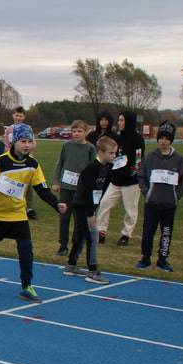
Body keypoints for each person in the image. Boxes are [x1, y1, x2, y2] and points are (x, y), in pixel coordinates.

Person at [0, 124, 67, 303]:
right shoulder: (1, 162)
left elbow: (42, 190)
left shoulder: (33, 165)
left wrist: (57, 205)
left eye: (30, 141)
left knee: (26, 251)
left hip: (18, 216)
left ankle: (26, 286)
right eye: (23, 141)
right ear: (13, 142)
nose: (27, 145)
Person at [63, 136, 117, 284]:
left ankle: (71, 265)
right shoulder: (91, 169)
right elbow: (86, 192)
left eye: (115, 153)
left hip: (91, 204)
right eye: (111, 153)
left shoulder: (108, 167)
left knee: (81, 235)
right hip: (82, 205)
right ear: (100, 152)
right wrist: (90, 214)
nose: (114, 156)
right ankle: (92, 271)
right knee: (92, 237)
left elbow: (104, 186)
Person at [136, 122, 183, 272]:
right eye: (161, 138)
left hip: (169, 205)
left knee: (166, 233)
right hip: (152, 203)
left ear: (171, 140)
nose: (163, 141)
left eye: (166, 138)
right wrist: (147, 192)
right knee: (148, 233)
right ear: (157, 139)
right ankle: (145, 259)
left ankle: (162, 260)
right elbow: (141, 176)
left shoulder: (179, 159)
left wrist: (176, 196)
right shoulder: (150, 157)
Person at [96, 110, 144, 246]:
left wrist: (130, 174)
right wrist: (111, 171)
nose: (119, 123)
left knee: (130, 209)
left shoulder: (137, 139)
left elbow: (138, 161)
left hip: (131, 182)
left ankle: (125, 235)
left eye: (122, 120)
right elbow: (113, 157)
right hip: (115, 180)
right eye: (119, 120)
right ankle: (101, 232)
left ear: (129, 122)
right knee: (105, 203)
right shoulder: (116, 137)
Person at [51, 119, 96, 256]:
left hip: (81, 190)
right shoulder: (67, 146)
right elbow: (60, 164)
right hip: (65, 187)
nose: (76, 134)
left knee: (79, 219)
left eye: (79, 131)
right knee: (64, 217)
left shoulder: (90, 149)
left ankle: (75, 245)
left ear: (86, 132)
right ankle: (62, 245)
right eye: (74, 131)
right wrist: (56, 181)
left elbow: (93, 169)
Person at [3, 106, 37, 219]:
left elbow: (33, 144)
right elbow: (7, 145)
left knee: (27, 184)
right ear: (13, 115)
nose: (18, 117)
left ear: (24, 117)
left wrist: (30, 157)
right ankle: (12, 206)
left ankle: (29, 208)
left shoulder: (28, 128)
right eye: (17, 115)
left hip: (25, 160)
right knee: (12, 183)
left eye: (21, 115)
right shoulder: (8, 130)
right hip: (12, 160)